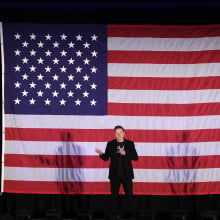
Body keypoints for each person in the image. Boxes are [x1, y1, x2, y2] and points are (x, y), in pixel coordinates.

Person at [95, 125, 138, 219]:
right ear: (114, 134)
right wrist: (101, 153)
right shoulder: (110, 144)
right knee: (114, 197)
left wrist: (125, 153)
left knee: (129, 196)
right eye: (117, 133)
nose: (119, 135)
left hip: (127, 174)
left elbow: (135, 157)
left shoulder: (130, 144)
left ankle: (131, 215)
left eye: (120, 133)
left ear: (124, 133)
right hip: (115, 174)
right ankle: (113, 216)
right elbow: (106, 158)